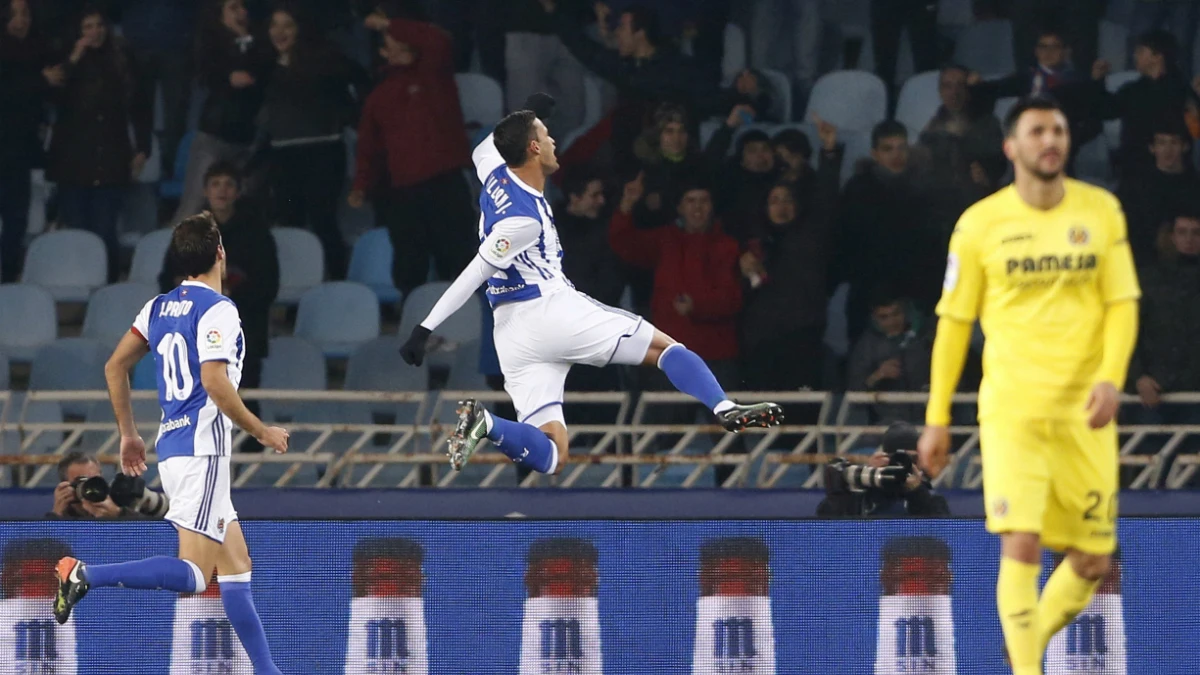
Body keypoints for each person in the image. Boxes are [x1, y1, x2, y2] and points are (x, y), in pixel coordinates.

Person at [397, 94, 783, 475]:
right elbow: (475, 272)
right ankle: (724, 408)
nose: (553, 142)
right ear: (533, 148)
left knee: (551, 455)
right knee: (665, 349)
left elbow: (486, 146)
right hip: (550, 310)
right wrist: (425, 328)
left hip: (511, 334)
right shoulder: (523, 220)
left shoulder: (491, 171)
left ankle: (489, 424)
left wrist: (530, 112)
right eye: (546, 135)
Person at [918, 96, 1140, 675]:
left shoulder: (1102, 211)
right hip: (1014, 409)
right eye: (1038, 130)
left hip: (1085, 412)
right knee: (1021, 542)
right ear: (1011, 147)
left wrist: (1112, 380)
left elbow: (1122, 305)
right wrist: (938, 416)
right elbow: (953, 325)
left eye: (1060, 130)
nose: (1052, 139)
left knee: (1092, 560)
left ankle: (1026, 641)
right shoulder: (980, 224)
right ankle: (1025, 669)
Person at [53, 213, 290, 675]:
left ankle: (267, 670)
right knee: (198, 575)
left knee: (237, 568)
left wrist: (128, 433)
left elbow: (114, 367)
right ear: (220, 253)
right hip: (203, 451)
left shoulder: (157, 307)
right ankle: (83, 575)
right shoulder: (219, 309)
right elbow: (215, 382)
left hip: (179, 447)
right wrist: (262, 431)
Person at [47, 452, 143, 519]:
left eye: (94, 480)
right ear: (65, 486)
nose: (89, 486)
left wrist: (119, 515)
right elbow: (40, 546)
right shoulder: (62, 519)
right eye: (80, 481)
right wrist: (56, 515)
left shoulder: (115, 508)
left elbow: (150, 536)